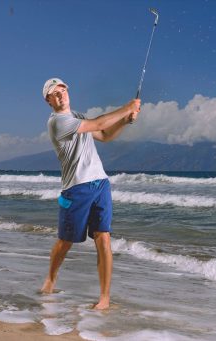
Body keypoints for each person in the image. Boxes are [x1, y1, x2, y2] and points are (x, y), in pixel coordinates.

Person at [40, 78, 140, 310]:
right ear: (48, 101)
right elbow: (97, 124)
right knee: (66, 241)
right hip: (76, 188)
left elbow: (105, 135)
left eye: (63, 90)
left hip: (100, 184)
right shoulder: (58, 122)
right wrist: (127, 107)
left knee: (103, 238)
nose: (61, 95)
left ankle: (104, 297)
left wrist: (126, 121)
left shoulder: (78, 116)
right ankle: (50, 280)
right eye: (55, 93)